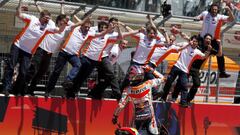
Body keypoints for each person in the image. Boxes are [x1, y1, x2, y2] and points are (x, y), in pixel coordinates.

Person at [24, 2, 90, 96]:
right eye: (63, 21)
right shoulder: (50, 24)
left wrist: (86, 19)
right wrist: (37, 5)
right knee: (33, 69)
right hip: (41, 50)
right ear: (59, 21)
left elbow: (78, 24)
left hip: (49, 54)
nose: (65, 23)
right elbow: (43, 13)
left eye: (65, 22)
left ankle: (31, 90)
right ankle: (23, 87)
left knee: (41, 72)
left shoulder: (66, 28)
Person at [1, 0, 55, 96]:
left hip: (28, 51)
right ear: (41, 17)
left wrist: (63, 23)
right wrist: (20, 5)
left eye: (48, 19)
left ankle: (16, 90)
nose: (47, 20)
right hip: (18, 45)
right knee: (11, 66)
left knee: (23, 71)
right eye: (46, 18)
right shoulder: (32, 19)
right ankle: (6, 88)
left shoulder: (47, 27)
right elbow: (18, 14)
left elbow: (59, 31)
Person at [112, 65, 165, 135]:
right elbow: (163, 78)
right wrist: (151, 70)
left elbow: (121, 105)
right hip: (150, 117)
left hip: (137, 119)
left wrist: (115, 116)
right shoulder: (148, 84)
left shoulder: (127, 90)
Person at [161, 35, 212, 107]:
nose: (194, 43)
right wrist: (177, 39)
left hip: (184, 70)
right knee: (169, 81)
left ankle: (183, 102)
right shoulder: (185, 44)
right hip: (177, 66)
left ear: (197, 43)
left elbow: (204, 56)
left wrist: (208, 51)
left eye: (196, 42)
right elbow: (175, 45)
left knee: (184, 86)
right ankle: (163, 97)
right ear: (190, 41)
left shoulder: (197, 51)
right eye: (193, 41)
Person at [171, 33, 216, 103]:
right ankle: (174, 97)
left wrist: (217, 44)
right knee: (180, 82)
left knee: (197, 83)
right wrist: (181, 33)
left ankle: (188, 99)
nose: (208, 40)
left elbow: (219, 54)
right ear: (204, 39)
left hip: (196, 69)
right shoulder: (198, 44)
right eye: (207, 38)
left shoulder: (210, 48)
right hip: (189, 66)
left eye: (209, 39)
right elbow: (190, 40)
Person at [195, 3, 235, 78]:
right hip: (202, 39)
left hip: (212, 40)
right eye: (213, 9)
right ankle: (195, 69)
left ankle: (222, 72)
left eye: (216, 10)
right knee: (201, 55)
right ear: (210, 9)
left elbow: (232, 19)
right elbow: (198, 17)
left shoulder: (219, 17)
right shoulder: (205, 13)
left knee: (220, 55)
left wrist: (229, 10)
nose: (214, 11)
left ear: (218, 10)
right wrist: (197, 18)